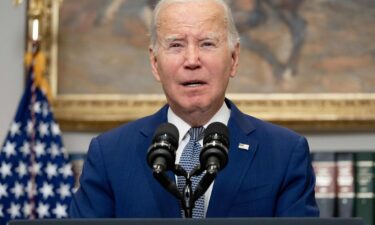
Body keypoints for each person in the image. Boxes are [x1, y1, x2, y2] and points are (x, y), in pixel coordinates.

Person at [69, 0, 319, 218]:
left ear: (233, 58)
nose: (191, 60)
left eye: (207, 44)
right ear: (155, 64)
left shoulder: (284, 153)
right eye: (176, 45)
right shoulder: (109, 154)